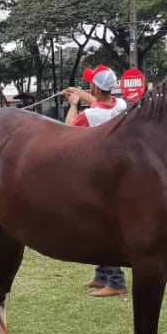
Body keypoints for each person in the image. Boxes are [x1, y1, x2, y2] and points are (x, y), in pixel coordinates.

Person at [62, 65, 129, 298]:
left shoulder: (90, 115)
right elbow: (100, 101)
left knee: (101, 226)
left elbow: (67, 128)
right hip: (115, 171)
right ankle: (102, 276)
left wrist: (72, 103)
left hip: (99, 175)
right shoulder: (120, 105)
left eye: (90, 83)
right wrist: (79, 93)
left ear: (95, 86)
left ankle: (116, 281)